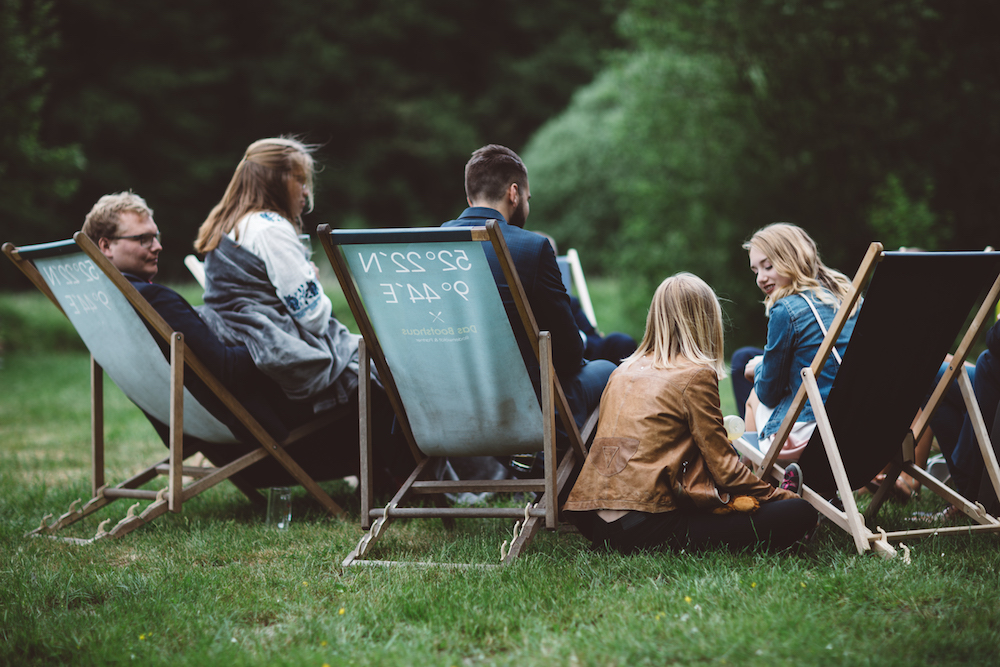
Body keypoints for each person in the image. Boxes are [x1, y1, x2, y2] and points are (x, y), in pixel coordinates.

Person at [82, 192, 403, 490]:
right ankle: (401, 477)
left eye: (156, 236)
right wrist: (286, 341)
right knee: (361, 378)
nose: (157, 246)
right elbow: (225, 367)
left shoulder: (105, 306)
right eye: (143, 239)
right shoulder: (155, 300)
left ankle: (383, 477)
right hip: (251, 419)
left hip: (199, 425)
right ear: (106, 245)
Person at [563, 273, 817, 554]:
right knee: (800, 512)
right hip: (644, 523)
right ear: (707, 320)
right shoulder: (695, 374)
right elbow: (726, 471)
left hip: (595, 522)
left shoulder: (622, 370)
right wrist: (780, 496)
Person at [441, 145, 615, 428]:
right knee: (608, 370)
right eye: (527, 198)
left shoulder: (430, 246)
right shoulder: (531, 248)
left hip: (448, 406)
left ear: (470, 199)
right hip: (527, 411)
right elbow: (570, 355)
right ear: (514, 193)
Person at [194, 137, 359, 414]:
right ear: (277, 180)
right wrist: (313, 282)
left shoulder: (229, 225)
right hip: (281, 358)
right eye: (300, 180)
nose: (305, 192)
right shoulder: (271, 228)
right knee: (380, 365)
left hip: (241, 345)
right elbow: (314, 318)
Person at [741, 223, 859, 471]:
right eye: (755, 270)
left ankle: (755, 482)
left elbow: (768, 392)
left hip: (816, 431)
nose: (760, 278)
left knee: (754, 397)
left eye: (768, 266)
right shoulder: (847, 296)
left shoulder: (786, 309)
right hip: (859, 421)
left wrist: (758, 368)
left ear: (792, 259)